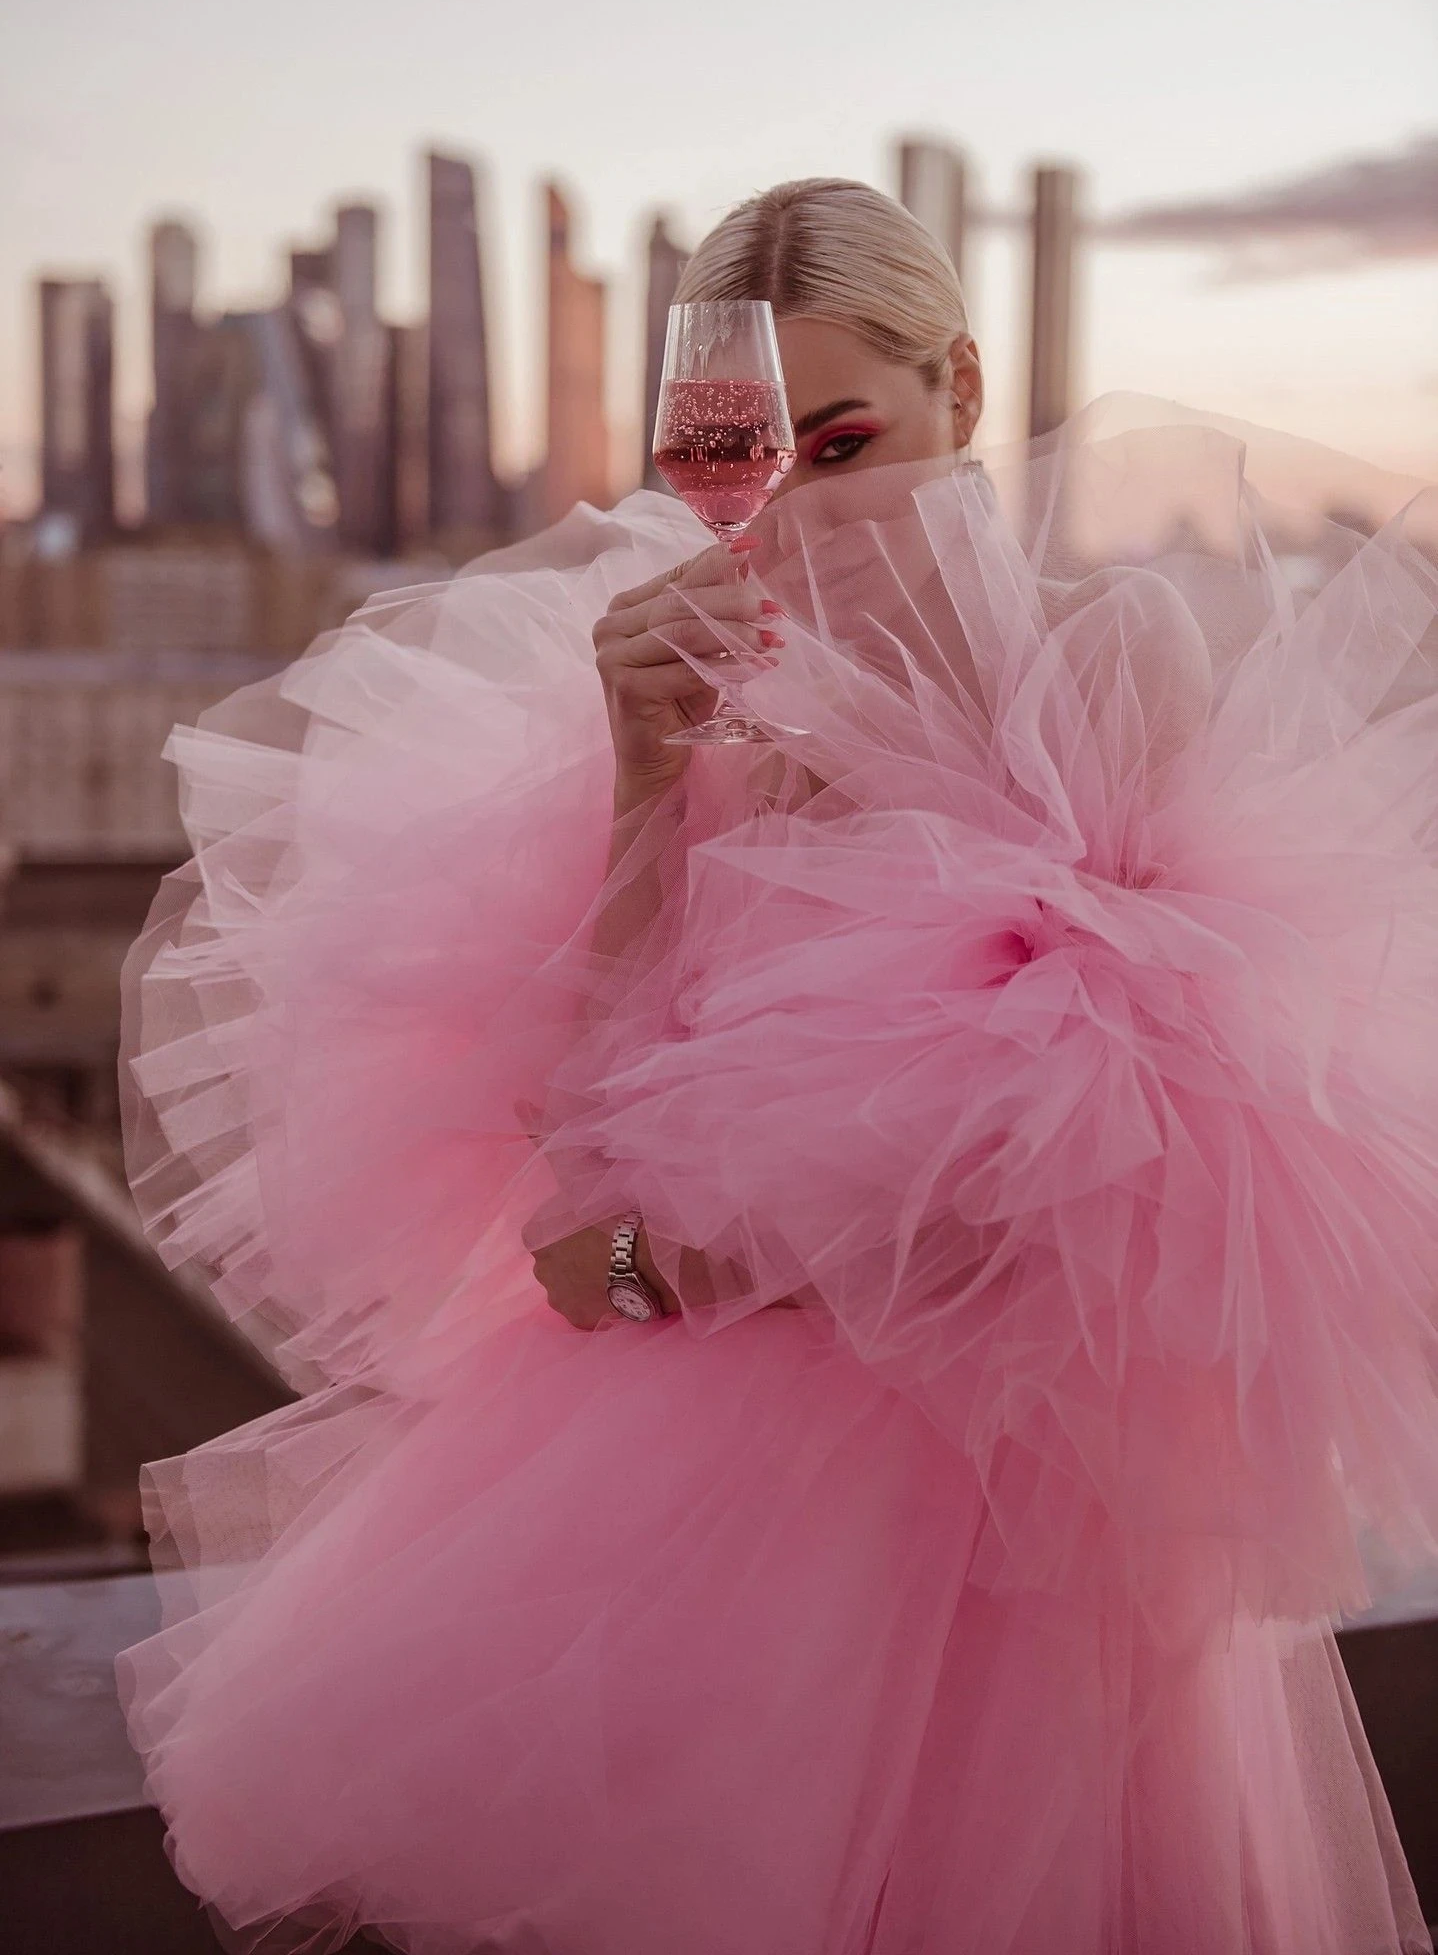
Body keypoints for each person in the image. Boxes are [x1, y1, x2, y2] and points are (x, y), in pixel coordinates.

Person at [116, 179, 1438, 1955]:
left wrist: (680, 1265)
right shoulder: (707, 677)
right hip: (668, 1511)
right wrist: (644, 778)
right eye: (741, 460)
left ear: (959, 389)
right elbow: (578, 1166)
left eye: (845, 439)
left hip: (1002, 1536)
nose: (796, 513)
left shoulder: (1102, 661)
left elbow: (1090, 1184)